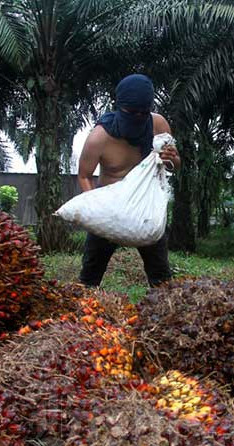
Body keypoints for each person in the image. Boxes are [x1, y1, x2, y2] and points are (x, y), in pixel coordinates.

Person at [77, 74, 181, 287]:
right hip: (110, 211)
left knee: (161, 279)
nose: (137, 117)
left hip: (146, 210)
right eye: (131, 113)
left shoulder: (157, 125)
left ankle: (163, 313)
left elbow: (174, 165)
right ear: (119, 107)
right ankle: (83, 313)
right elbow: (84, 175)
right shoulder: (99, 137)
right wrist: (96, 209)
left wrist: (172, 159)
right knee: (89, 278)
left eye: (143, 113)